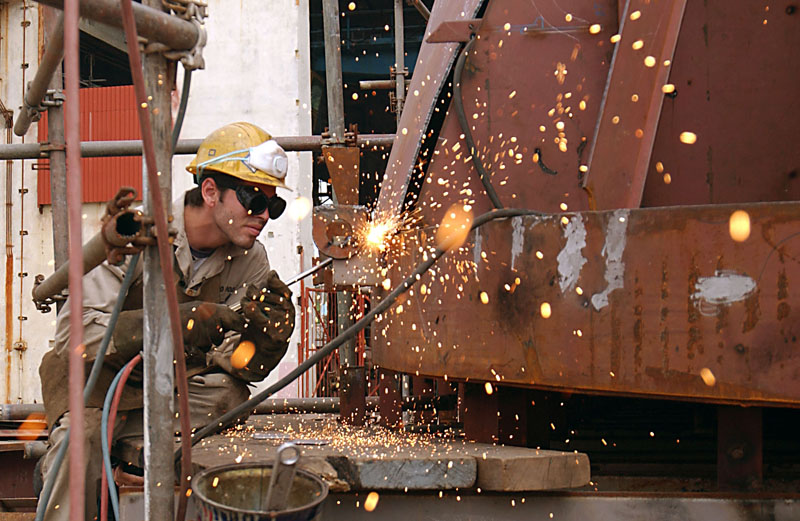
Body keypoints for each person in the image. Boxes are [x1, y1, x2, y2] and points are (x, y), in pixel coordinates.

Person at [37, 122, 296, 521]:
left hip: (176, 386)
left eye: (273, 206)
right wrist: (174, 323)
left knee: (229, 397)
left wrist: (266, 343)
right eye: (253, 199)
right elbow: (73, 336)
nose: (264, 215)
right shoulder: (138, 233)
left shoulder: (251, 259)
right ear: (210, 191)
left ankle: (146, 481)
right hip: (99, 381)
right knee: (80, 442)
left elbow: (236, 363)